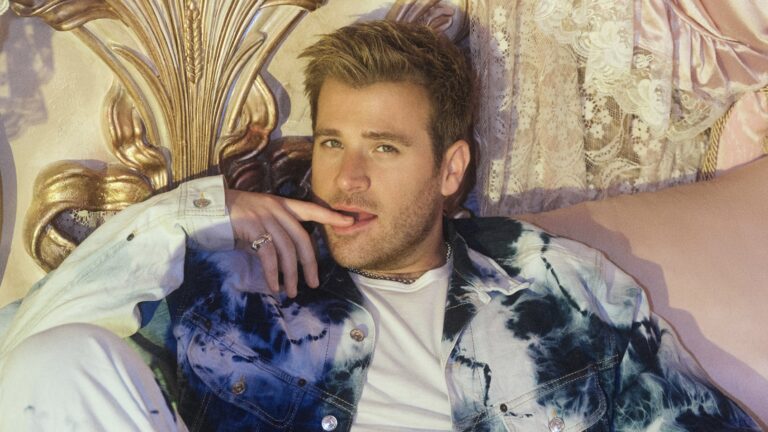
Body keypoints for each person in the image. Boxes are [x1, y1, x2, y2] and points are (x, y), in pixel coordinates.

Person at [0, 20, 760, 432]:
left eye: (384, 149)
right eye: (332, 142)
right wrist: (199, 212)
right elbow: (27, 358)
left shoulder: (553, 282)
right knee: (58, 360)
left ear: (450, 168)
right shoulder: (240, 281)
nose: (344, 176)